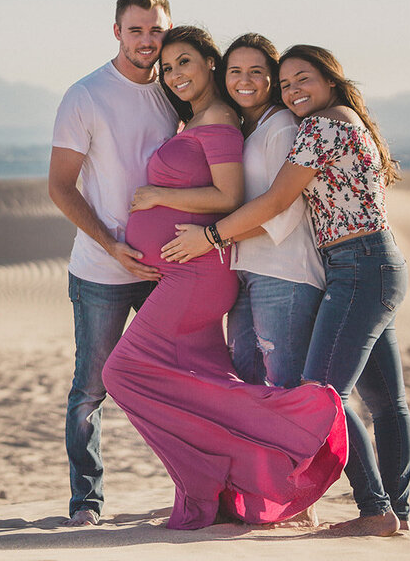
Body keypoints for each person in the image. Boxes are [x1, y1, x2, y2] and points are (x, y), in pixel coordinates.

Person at [102, 27, 347, 530]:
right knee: (216, 381)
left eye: (185, 62)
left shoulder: (232, 122)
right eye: (167, 68)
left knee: (123, 372)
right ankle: (221, 491)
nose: (174, 75)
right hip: (215, 270)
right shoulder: (215, 120)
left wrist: (158, 199)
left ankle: (303, 431)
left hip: (219, 274)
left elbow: (234, 198)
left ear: (208, 65)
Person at [161, 44, 410, 536]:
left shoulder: (319, 127)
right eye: (289, 82)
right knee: (386, 402)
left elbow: (277, 199)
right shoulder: (346, 121)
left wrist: (211, 236)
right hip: (374, 263)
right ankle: (396, 512)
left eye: (305, 80)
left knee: (321, 396)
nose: (295, 90)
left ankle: (376, 509)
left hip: (357, 267)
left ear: (332, 82)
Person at [48, 0, 180, 527]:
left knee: (179, 383)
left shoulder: (178, 91)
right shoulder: (86, 94)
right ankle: (87, 501)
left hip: (167, 268)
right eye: (136, 30)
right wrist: (111, 244)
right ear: (116, 31)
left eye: (156, 30)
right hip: (102, 270)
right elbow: (60, 186)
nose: (147, 40)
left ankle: (195, 492)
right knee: (90, 390)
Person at [220, 34, 326, 387]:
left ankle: (349, 446)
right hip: (248, 271)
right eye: (235, 71)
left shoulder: (281, 126)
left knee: (293, 388)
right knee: (248, 380)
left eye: (256, 71)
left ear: (272, 78)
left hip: (284, 275)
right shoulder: (247, 128)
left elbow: (286, 212)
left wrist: (215, 238)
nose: (244, 81)